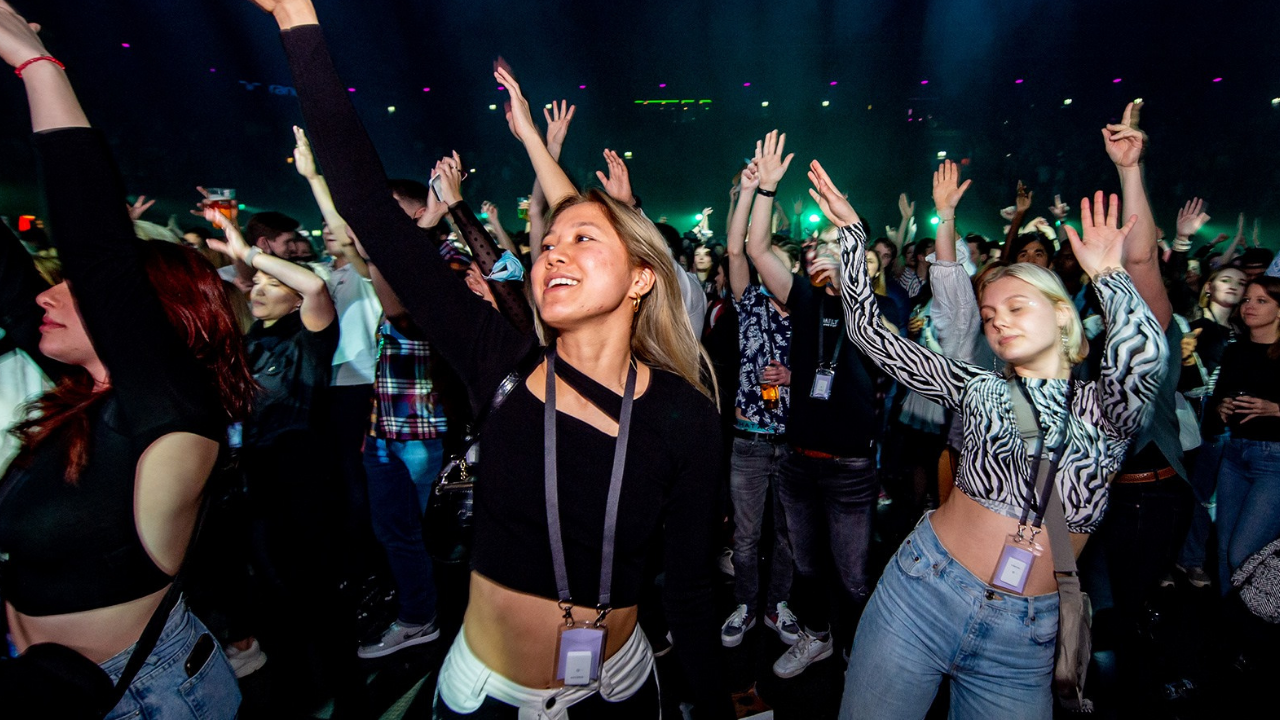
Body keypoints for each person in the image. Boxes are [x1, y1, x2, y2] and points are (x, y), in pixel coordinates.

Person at [249, 2, 732, 717]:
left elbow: (690, 592)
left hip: (622, 690)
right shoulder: (499, 360)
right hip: (488, 699)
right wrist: (297, 18)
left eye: (583, 240)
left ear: (641, 279)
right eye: (550, 242)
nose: (554, 251)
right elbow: (366, 206)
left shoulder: (684, 415)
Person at [808, 155, 1168, 718]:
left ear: (1063, 318)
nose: (997, 320)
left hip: (1024, 639)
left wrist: (1109, 276)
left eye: (1016, 306)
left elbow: (1144, 359)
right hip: (922, 591)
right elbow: (868, 333)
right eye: (989, 311)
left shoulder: (1106, 410)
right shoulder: (977, 387)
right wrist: (853, 235)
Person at [0, 6, 253, 716]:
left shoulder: (165, 407)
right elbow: (14, 283)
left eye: (72, 287)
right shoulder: (93, 395)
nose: (49, 293)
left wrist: (35, 66)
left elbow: (97, 245)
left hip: (145, 699)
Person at [744, 131, 882, 679]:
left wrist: (852, 255)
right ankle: (820, 638)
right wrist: (767, 191)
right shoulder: (801, 298)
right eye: (817, 246)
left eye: (835, 245)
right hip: (798, 460)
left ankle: (861, 650)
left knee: (852, 576)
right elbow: (756, 249)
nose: (823, 254)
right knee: (806, 567)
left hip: (849, 466)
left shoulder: (867, 312)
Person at [202, 210, 347, 711]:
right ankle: (298, 690)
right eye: (253, 284)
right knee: (272, 593)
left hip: (303, 485)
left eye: (269, 283)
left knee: (313, 594)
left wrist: (249, 254)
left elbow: (311, 283)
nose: (257, 289)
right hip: (256, 483)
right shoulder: (250, 340)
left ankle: (340, 691)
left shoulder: (308, 336)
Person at [718, 160, 801, 648]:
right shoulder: (748, 302)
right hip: (748, 440)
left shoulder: (811, 318)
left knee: (789, 537)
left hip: (793, 442)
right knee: (746, 539)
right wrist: (748, 191)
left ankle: (777, 607)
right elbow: (734, 248)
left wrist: (794, 377)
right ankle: (746, 605)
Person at [1211, 277, 1280, 593]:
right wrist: (1221, 405)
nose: (1249, 306)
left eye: (1261, 301)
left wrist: (1275, 409)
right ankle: (1234, 629)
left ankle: (1262, 621)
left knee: (1244, 552)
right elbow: (1218, 397)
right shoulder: (1235, 350)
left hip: (1273, 461)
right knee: (1226, 552)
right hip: (1235, 454)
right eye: (1247, 300)